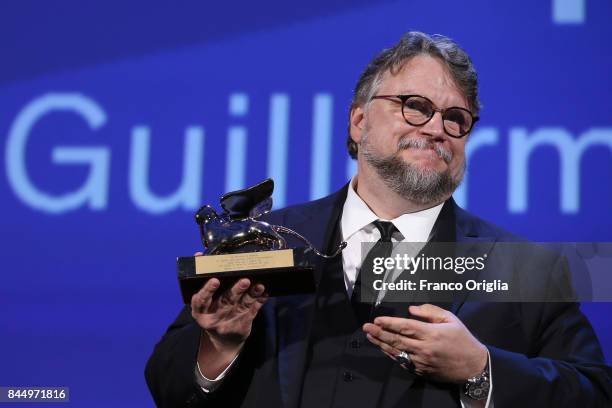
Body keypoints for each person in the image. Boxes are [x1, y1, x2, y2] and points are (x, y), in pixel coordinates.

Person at [145, 31, 612, 407]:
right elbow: (169, 386)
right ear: (358, 121)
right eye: (415, 106)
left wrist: (481, 371)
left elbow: (594, 392)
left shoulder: (526, 269)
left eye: (456, 118)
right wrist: (221, 349)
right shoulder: (268, 240)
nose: (435, 128)